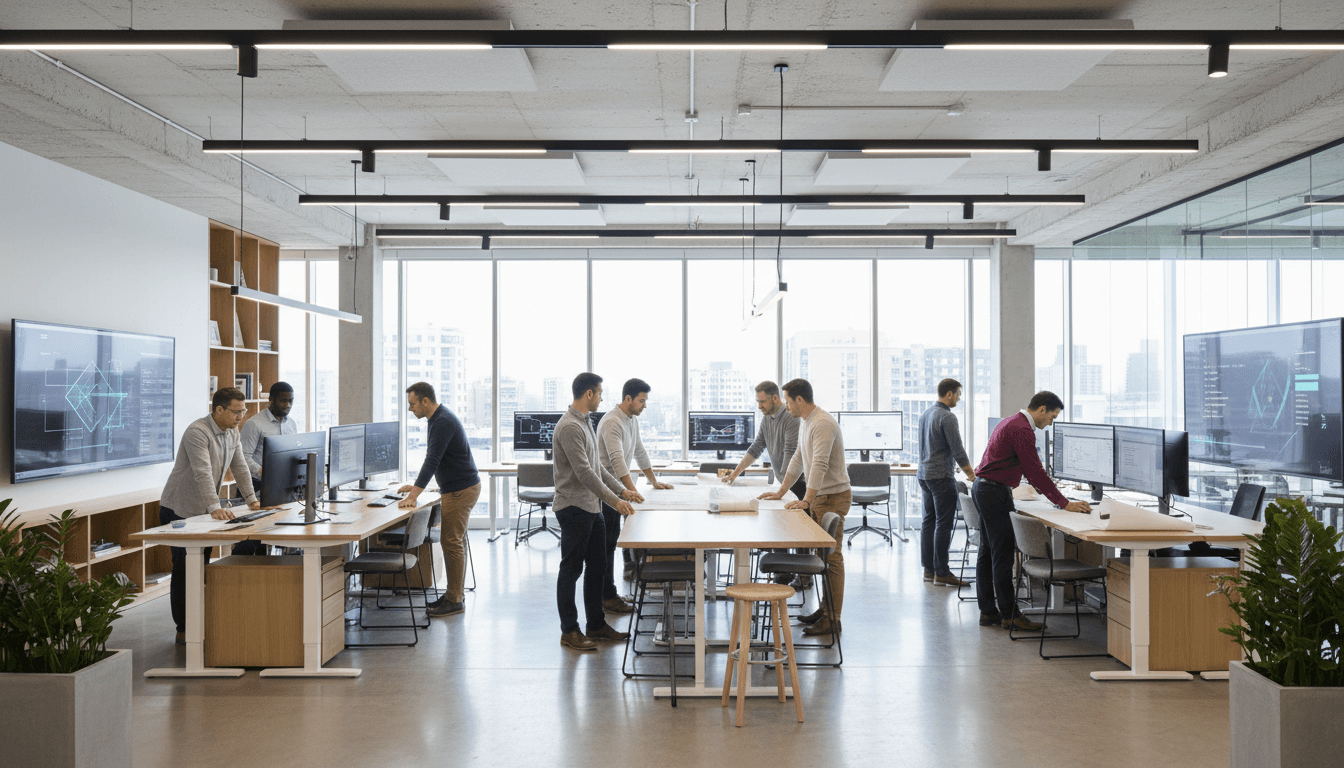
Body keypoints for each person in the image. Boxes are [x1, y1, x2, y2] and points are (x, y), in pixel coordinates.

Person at [972, 391, 1092, 631]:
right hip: (995, 493)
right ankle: (1010, 615)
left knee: (988, 551)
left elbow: (1027, 470)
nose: (1050, 423)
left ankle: (988, 612)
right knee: (1002, 555)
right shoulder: (1022, 430)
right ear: (1041, 409)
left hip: (983, 488)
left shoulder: (1010, 421)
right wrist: (1063, 502)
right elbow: (1035, 472)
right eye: (1052, 417)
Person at [158, 387, 264, 645]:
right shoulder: (198, 432)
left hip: (202, 510)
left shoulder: (231, 431)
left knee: (201, 566)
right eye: (237, 412)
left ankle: (199, 621)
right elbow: (202, 472)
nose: (241, 417)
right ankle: (184, 628)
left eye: (244, 411)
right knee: (185, 568)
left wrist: (252, 500)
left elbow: (239, 466)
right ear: (219, 409)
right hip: (179, 508)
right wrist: (214, 506)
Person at [553, 372, 643, 651]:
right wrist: (615, 502)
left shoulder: (586, 421)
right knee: (571, 569)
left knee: (598, 567)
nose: (603, 397)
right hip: (573, 507)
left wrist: (621, 490)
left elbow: (598, 467)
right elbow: (584, 474)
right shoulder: (569, 427)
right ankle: (569, 630)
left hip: (592, 508)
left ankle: (596, 625)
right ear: (589, 394)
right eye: (600, 392)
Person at [759, 378, 850, 637]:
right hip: (822, 496)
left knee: (832, 559)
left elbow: (819, 465)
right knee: (823, 558)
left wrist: (807, 500)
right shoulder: (806, 422)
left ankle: (833, 618)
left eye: (788, 401)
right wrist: (781, 491)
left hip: (833, 496)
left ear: (800, 400)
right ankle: (825, 609)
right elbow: (799, 458)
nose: (786, 406)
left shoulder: (822, 423)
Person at [398, 382, 482, 618]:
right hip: (458, 487)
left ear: (426, 401)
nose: (410, 408)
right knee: (455, 542)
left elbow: (432, 460)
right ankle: (454, 595)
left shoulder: (442, 421)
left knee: (451, 542)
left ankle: (454, 600)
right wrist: (416, 487)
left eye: (412, 403)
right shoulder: (437, 419)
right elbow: (439, 459)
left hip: (460, 490)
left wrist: (415, 493)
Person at [596, 378, 673, 612]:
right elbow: (617, 460)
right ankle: (607, 596)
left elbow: (639, 450)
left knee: (613, 540)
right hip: (607, 491)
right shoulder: (612, 422)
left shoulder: (631, 420)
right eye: (642, 400)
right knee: (608, 543)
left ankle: (610, 594)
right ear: (628, 399)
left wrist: (653, 481)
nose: (644, 405)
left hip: (619, 489)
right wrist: (630, 491)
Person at [724, 380, 805, 587]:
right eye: (758, 401)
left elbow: (791, 455)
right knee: (779, 525)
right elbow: (757, 447)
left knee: (800, 530)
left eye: (762, 402)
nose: (759, 406)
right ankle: (782, 572)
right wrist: (735, 473)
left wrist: (781, 489)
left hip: (797, 482)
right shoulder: (767, 419)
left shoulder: (790, 420)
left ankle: (804, 575)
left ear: (775, 399)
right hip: (782, 482)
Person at [917, 378, 976, 588]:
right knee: (943, 524)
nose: (959, 399)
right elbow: (957, 449)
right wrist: (972, 476)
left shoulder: (926, 414)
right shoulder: (947, 417)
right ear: (949, 394)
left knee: (928, 522)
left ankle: (928, 570)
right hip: (941, 477)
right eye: (958, 394)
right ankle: (942, 572)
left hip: (924, 475)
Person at [240, 381, 297, 482]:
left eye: (290, 401)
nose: (288, 405)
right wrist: (265, 474)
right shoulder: (254, 424)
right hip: (257, 484)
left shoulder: (291, 424)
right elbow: (243, 458)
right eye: (283, 401)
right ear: (271, 399)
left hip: (283, 482)